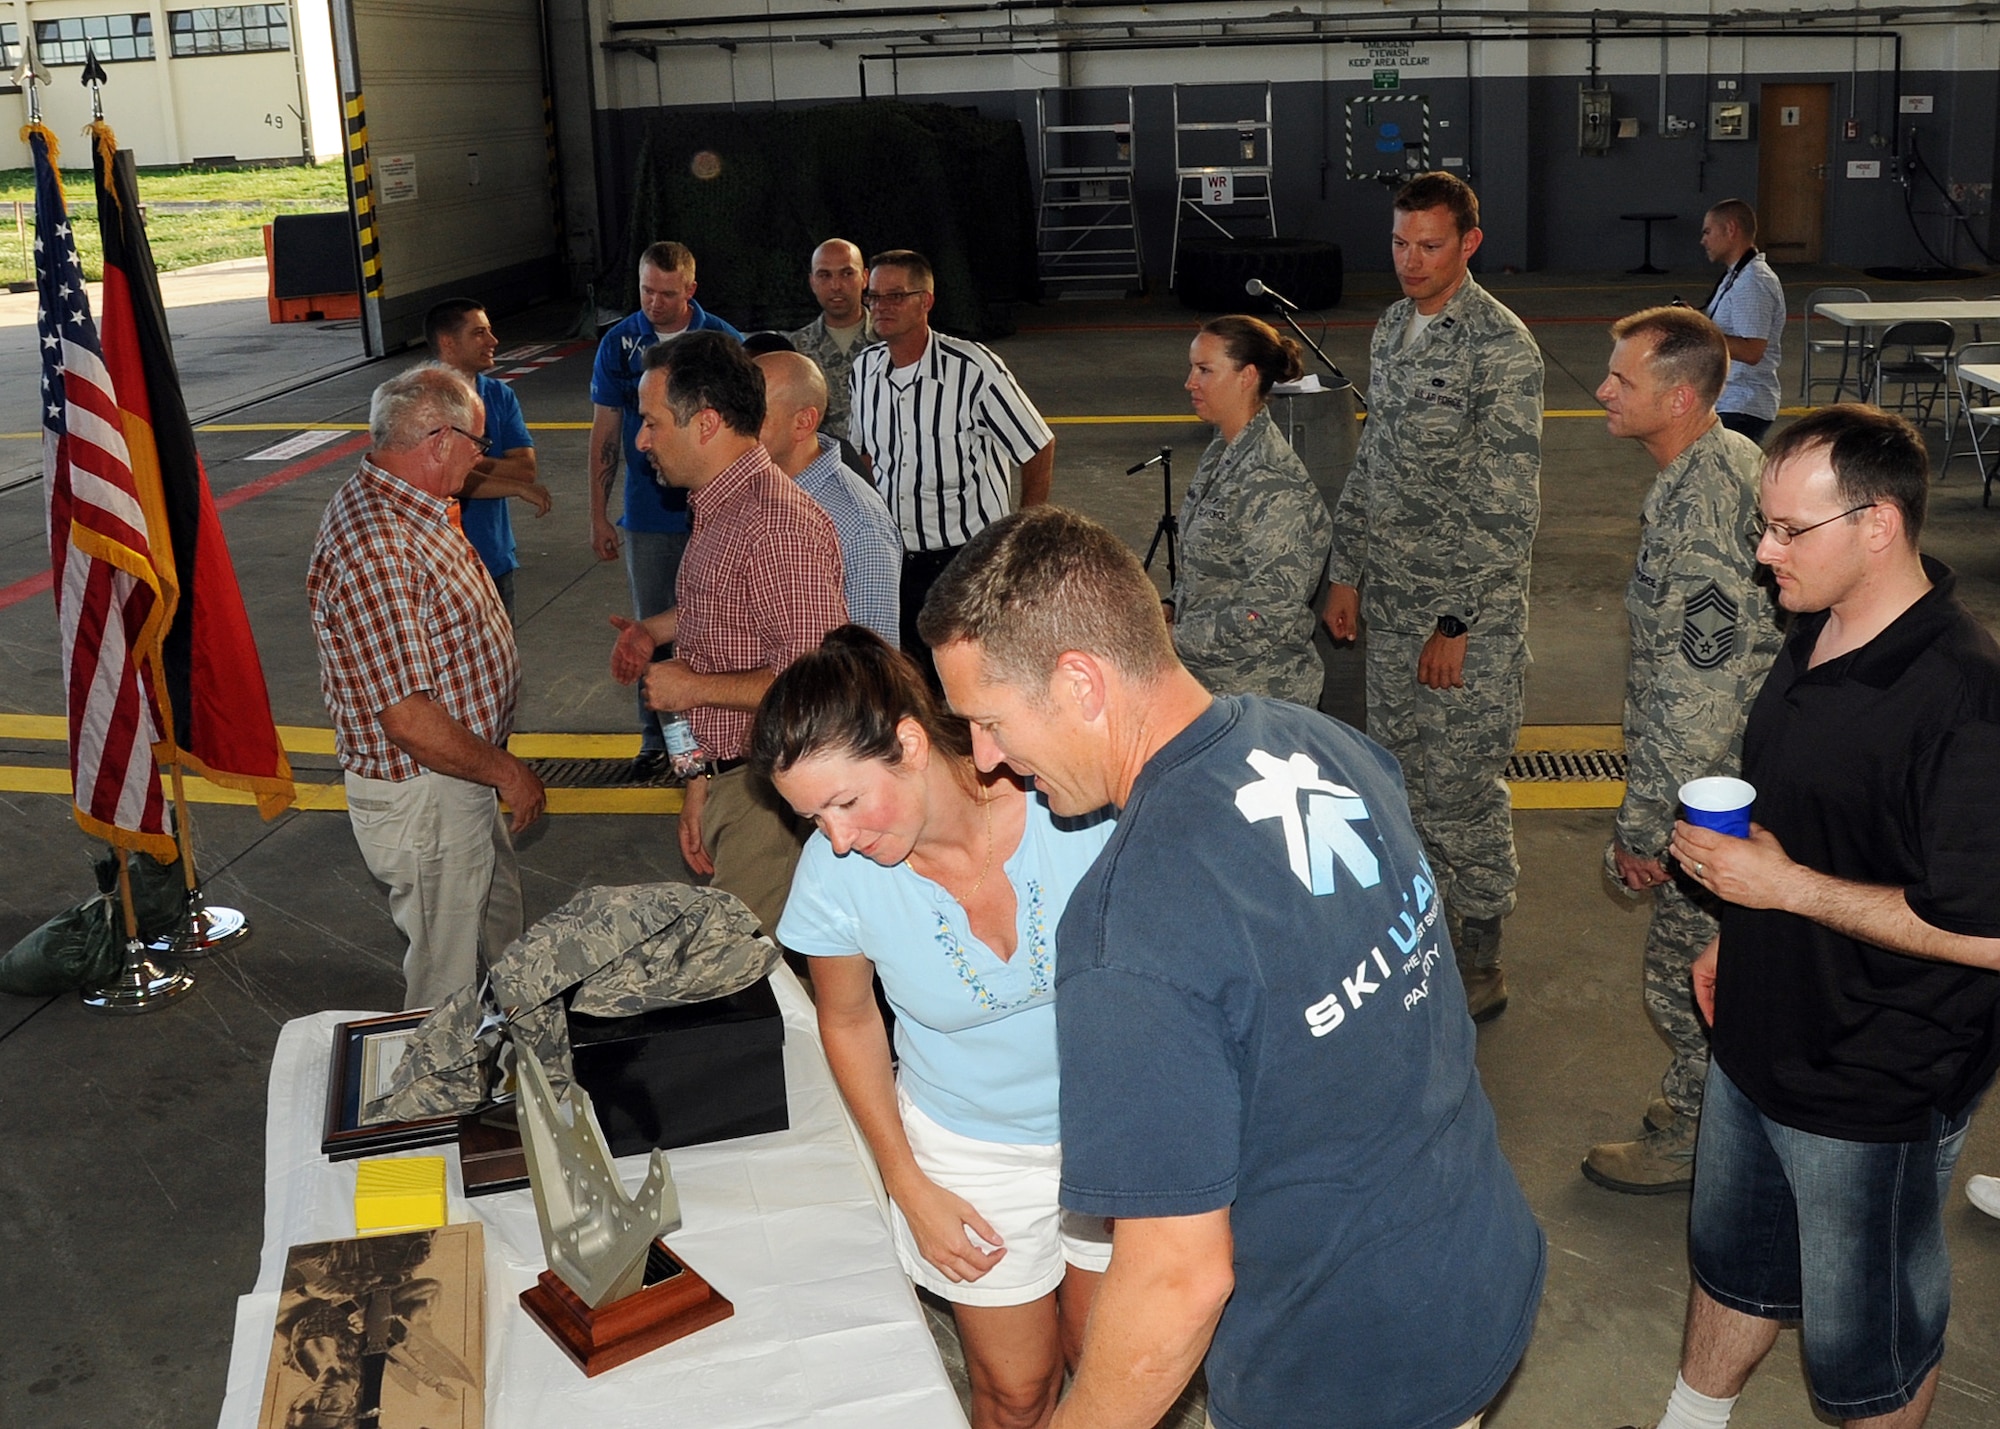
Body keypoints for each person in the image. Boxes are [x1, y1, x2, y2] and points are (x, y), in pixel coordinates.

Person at [921, 506, 1545, 1429]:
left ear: (1082, 682)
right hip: (1473, 1262)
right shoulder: (1316, 739)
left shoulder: (1129, 926)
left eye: (988, 720)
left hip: (1347, 1370)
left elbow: (1177, 1279)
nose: (985, 758)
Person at [1645, 405, 2000, 1429]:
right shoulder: (1813, 627)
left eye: (1785, 531)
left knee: (1866, 1348)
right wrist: (1735, 928)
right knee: (1731, 1264)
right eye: (1763, 524)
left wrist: (1785, 890)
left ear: (1877, 525)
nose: (1762, 552)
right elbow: (1810, 819)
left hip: (1873, 1076)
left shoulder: (1963, 700)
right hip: (1761, 1033)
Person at [752, 626, 1115, 1429]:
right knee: (1016, 1393)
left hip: (1116, 1128)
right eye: (813, 819)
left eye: (844, 802)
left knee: (1105, 1376)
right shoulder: (836, 875)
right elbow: (847, 1019)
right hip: (973, 1152)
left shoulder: (1069, 802)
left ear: (910, 744)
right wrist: (906, 1180)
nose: (837, 838)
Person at [1321, 170, 1543, 1022]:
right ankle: (1426, 927)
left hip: (1462, 620)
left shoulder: (1501, 348)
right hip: (1394, 603)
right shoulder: (1391, 329)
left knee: (1462, 792)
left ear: (1470, 244)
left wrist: (1456, 622)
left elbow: (1506, 504)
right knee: (1403, 783)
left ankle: (1479, 954)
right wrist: (1348, 569)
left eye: (1430, 245)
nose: (1410, 261)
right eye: (1399, 243)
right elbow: (1377, 465)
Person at [1582, 307, 1784, 1195]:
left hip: (1717, 792)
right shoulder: (1725, 465)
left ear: (1682, 395)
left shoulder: (1703, 503)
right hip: (1748, 775)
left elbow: (1694, 697)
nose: (1602, 391)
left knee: (1687, 976)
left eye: (1622, 380)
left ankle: (1701, 1138)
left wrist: (1647, 829)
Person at [307, 364, 545, 1010]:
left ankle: (511, 1043)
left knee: (499, 928)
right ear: (439, 440)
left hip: (457, 778)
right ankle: (436, 1101)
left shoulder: (415, 501)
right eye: (477, 444)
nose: (480, 458)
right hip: (429, 792)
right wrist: (507, 772)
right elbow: (408, 718)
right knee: (445, 985)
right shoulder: (375, 546)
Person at [606, 331, 846, 938]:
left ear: (706, 422)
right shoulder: (719, 509)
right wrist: (699, 783)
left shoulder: (772, 525)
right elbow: (724, 621)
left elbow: (815, 683)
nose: (640, 441)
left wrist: (693, 689)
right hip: (731, 784)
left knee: (748, 989)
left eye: (653, 423)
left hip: (769, 797)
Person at [848, 248, 1055, 671]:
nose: (880, 307)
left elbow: (1036, 445)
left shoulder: (974, 369)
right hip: (893, 559)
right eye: (873, 297)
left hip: (963, 559)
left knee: (969, 682)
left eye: (894, 296)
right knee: (906, 682)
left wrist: (1021, 536)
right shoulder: (864, 369)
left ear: (925, 301)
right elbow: (865, 455)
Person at [589, 241, 744, 779]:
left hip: (715, 511)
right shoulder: (619, 343)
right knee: (649, 629)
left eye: (668, 293)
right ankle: (658, 741)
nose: (655, 302)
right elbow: (606, 432)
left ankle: (719, 736)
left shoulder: (722, 342)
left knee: (718, 624)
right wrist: (597, 513)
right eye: (646, 290)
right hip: (649, 517)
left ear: (691, 291)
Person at [1171, 314, 1333, 707]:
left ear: (1247, 376)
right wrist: (1171, 606)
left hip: (1261, 696)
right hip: (1214, 687)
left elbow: (1265, 615)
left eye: (1205, 370)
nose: (1190, 382)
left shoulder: (1271, 482)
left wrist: (1170, 641)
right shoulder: (1222, 451)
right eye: (1193, 368)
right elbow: (1210, 570)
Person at [754, 349, 902, 649]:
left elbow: (869, 665)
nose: (734, 425)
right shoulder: (753, 485)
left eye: (755, 414)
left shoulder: (859, 525)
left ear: (803, 422)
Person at [424, 298, 552, 621]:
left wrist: (465, 464)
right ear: (448, 343)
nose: (493, 342)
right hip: (438, 567)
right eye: (479, 333)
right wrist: (509, 484)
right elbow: (442, 478)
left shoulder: (498, 395)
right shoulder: (420, 401)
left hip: (493, 558)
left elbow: (525, 469)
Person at [1698, 199, 1786, 445]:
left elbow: (1752, 350)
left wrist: (1699, 333)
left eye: (1707, 232)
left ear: (1730, 229)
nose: (1703, 240)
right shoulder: (1737, 276)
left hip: (1743, 406)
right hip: (1731, 402)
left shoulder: (1752, 282)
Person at [786, 238, 879, 441]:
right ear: (812, 282)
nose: (836, 286)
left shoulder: (890, 342)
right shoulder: (794, 351)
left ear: (865, 278)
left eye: (847, 274)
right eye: (824, 275)